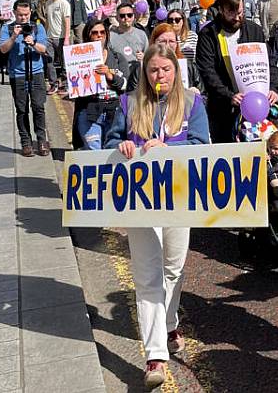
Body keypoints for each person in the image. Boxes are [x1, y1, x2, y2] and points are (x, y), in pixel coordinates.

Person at [103, 44, 210, 390]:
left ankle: (168, 322)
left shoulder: (192, 104)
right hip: (140, 201)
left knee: (174, 269)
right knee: (147, 276)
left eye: (165, 69)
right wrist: (123, 146)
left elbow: (202, 145)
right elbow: (111, 139)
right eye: (153, 70)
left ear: (175, 71)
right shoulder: (129, 104)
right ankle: (155, 356)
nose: (159, 76)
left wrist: (171, 149)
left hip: (180, 199)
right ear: (144, 73)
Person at [195, 0, 278, 143]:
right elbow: (207, 71)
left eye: (240, 12)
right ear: (220, 10)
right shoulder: (208, 35)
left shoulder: (255, 30)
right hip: (223, 109)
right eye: (231, 13)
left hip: (256, 109)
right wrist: (229, 95)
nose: (237, 17)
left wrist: (273, 88)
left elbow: (269, 62)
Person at [0, 0, 50, 157]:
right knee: (21, 110)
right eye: (20, 15)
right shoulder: (7, 28)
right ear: (14, 13)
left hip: (36, 73)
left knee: (38, 108)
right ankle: (26, 142)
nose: (23, 18)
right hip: (18, 74)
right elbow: (2, 49)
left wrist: (33, 43)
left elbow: (43, 49)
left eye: (26, 15)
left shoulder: (37, 27)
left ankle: (41, 140)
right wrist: (14, 36)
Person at [71, 19, 130, 150]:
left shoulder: (117, 58)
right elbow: (75, 88)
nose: (99, 36)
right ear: (88, 35)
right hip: (89, 112)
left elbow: (126, 85)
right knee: (94, 151)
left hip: (114, 112)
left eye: (102, 32)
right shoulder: (78, 59)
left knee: (112, 150)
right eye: (95, 33)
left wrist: (109, 75)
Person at [109, 1, 149, 92]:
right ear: (117, 18)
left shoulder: (141, 34)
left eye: (129, 15)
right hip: (120, 79)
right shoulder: (111, 36)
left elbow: (149, 57)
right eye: (122, 16)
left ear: (134, 16)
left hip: (138, 78)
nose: (126, 18)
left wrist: (144, 57)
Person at [40, 0, 71, 94]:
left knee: (65, 62)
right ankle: (54, 84)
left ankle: (67, 84)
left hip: (61, 37)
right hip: (49, 37)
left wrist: (67, 38)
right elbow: (48, 21)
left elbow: (67, 22)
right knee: (49, 61)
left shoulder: (64, 3)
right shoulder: (48, 3)